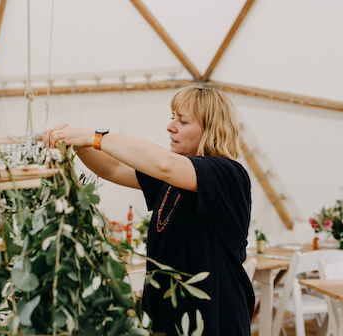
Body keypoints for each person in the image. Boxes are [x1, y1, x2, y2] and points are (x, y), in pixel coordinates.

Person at [42, 85, 255, 336]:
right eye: (172, 117)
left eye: (183, 121)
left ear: (211, 129)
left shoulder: (227, 174)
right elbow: (112, 169)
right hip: (166, 318)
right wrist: (77, 143)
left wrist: (94, 136)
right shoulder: (174, 179)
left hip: (212, 322)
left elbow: (163, 163)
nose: (171, 126)